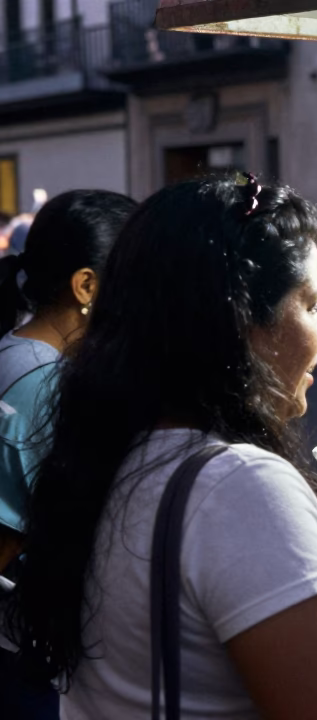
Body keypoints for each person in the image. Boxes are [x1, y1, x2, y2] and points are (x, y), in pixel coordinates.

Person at [3, 175, 317, 718]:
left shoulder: (116, 452)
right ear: (240, 322)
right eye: (311, 304)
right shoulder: (238, 485)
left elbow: (191, 628)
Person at [0, 189, 137, 719]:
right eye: (135, 281)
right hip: (22, 663)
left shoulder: (14, 353)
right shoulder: (48, 384)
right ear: (87, 286)